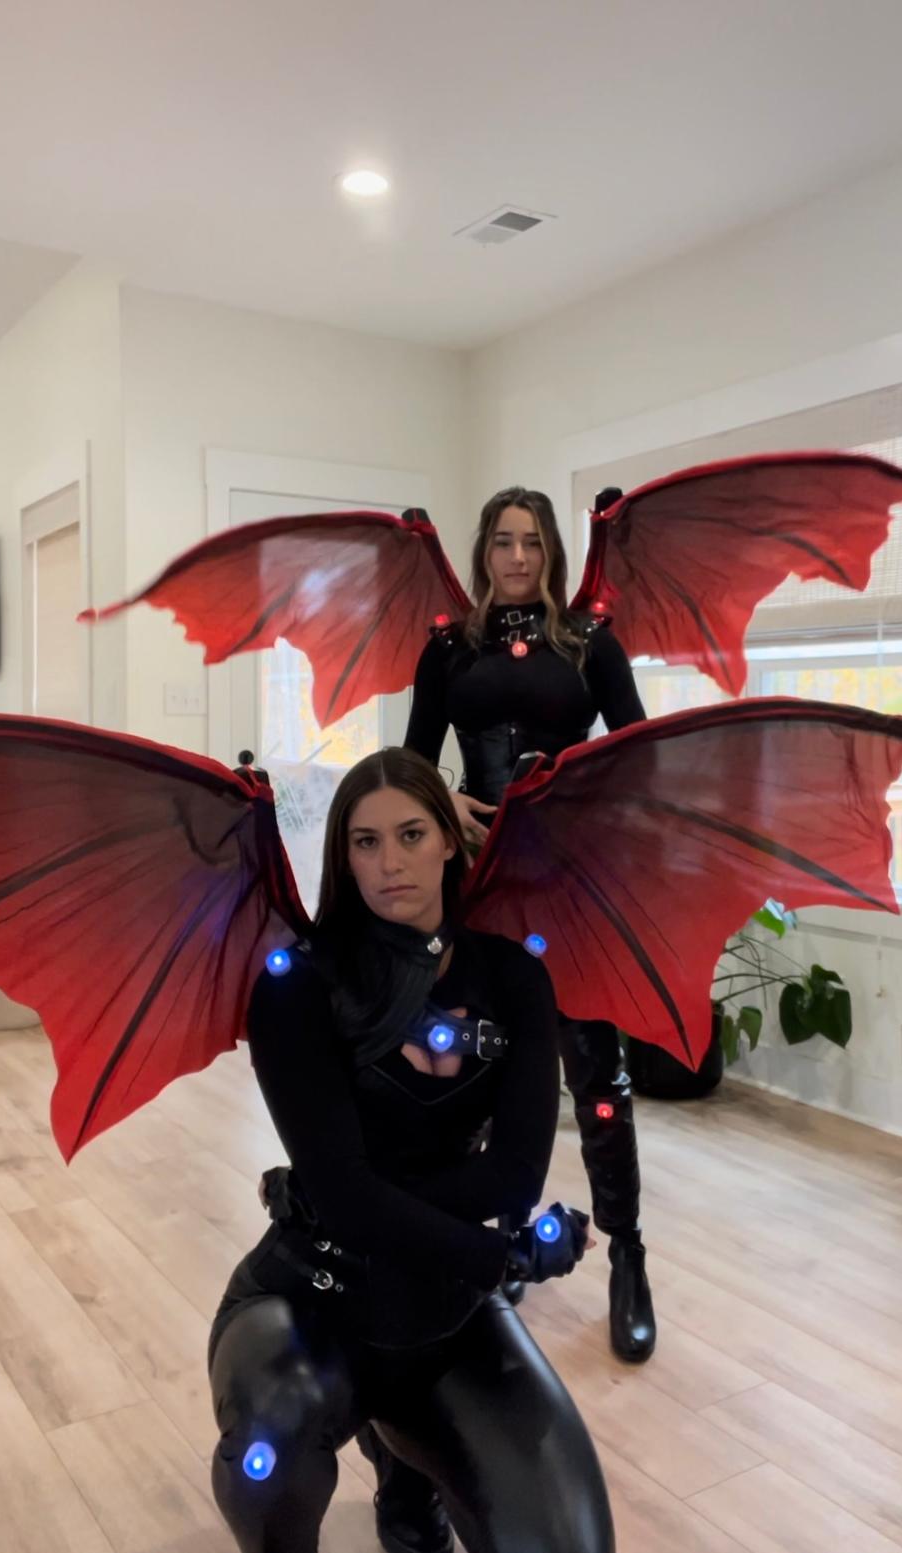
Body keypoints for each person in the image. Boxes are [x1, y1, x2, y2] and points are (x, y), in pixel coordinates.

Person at [209, 746, 615, 1553]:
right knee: (271, 1454)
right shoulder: (296, 984)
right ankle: (384, 1462)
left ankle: (407, 1469)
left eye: (410, 833)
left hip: (447, 1312)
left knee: (569, 1538)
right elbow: (349, 1197)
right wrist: (496, 1255)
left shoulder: (514, 979)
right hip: (309, 1299)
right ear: (342, 856)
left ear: (451, 841)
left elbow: (514, 1174)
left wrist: (392, 1214)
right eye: (364, 842)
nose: (389, 862)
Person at [404, 485, 655, 1365]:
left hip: (565, 876)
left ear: (552, 553)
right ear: (482, 554)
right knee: (481, 1065)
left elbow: (639, 755)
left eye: (532, 544)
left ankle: (626, 1256)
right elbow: (411, 758)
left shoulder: (591, 644)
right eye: (502, 542)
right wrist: (451, 807)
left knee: (593, 1065)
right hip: (479, 882)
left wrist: (576, 792)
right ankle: (499, 1242)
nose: (517, 557)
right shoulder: (448, 648)